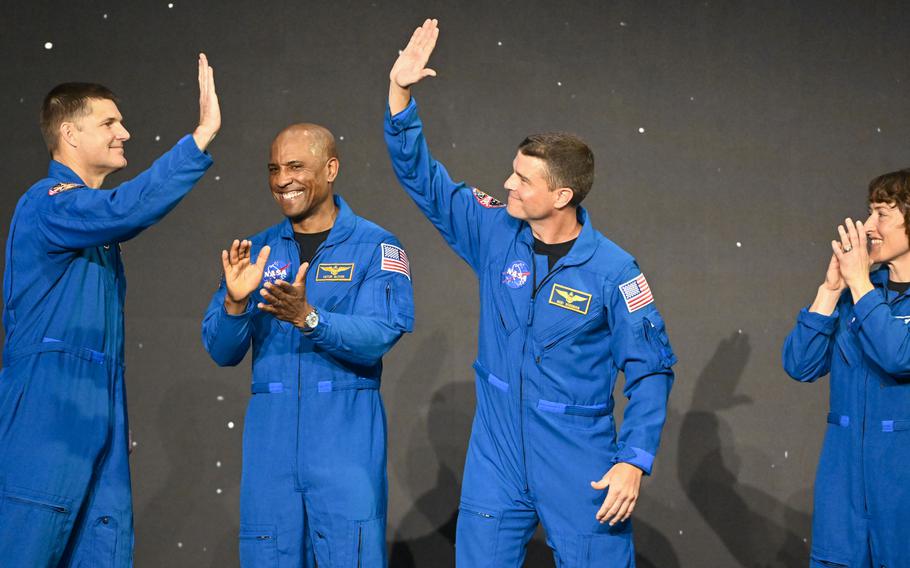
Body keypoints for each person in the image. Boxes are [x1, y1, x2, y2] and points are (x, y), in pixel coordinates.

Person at [384, 19, 676, 567]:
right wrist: (400, 98)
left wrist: (633, 460)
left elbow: (651, 369)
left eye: (524, 180)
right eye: (512, 174)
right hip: (496, 451)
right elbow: (427, 183)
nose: (508, 185)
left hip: (577, 455)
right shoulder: (496, 233)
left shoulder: (615, 272)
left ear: (561, 194)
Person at [0, 54, 220, 566]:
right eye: (109, 123)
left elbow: (113, 216)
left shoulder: (94, 233)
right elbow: (125, 209)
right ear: (71, 135)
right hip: (46, 413)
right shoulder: (49, 202)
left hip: (100, 408)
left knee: (105, 549)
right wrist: (201, 136)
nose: (125, 131)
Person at [202, 123, 414, 567]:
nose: (283, 179)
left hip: (343, 444)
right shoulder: (257, 251)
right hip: (270, 448)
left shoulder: (375, 246)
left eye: (296, 166)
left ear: (331, 168)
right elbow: (222, 352)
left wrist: (309, 318)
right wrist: (235, 302)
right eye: (274, 168)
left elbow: (378, 336)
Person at [783, 169, 910, 568]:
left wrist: (860, 286)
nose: (869, 226)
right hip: (843, 490)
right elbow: (800, 365)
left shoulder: (864, 291)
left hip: (900, 488)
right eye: (869, 213)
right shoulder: (857, 292)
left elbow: (898, 357)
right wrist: (830, 291)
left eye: (882, 214)